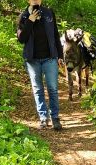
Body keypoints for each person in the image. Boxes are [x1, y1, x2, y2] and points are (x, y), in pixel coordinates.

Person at [17, 0, 63, 130]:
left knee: (52, 88)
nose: (35, 0)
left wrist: (60, 55)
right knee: (38, 90)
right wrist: (30, 21)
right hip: (32, 60)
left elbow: (55, 35)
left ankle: (55, 118)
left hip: (50, 58)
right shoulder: (24, 16)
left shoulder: (49, 13)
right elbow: (21, 39)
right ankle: (43, 117)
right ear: (28, 0)